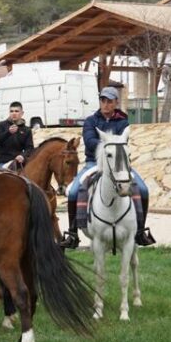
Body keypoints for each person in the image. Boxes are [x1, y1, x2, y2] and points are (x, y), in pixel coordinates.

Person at [60, 86, 155, 248]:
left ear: (116, 103)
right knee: (74, 191)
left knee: (144, 189)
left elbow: (122, 143)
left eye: (109, 101)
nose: (105, 104)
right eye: (102, 100)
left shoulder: (123, 122)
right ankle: (73, 233)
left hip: (119, 164)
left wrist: (110, 147)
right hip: (93, 163)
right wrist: (111, 146)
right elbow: (90, 142)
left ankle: (140, 232)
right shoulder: (90, 121)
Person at [0, 101, 34, 168]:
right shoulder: (1, 125)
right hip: (1, 161)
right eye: (11, 111)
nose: (14, 113)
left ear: (22, 113)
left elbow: (29, 148)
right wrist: (8, 132)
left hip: (17, 162)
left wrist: (22, 155)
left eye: (16, 111)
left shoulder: (27, 130)